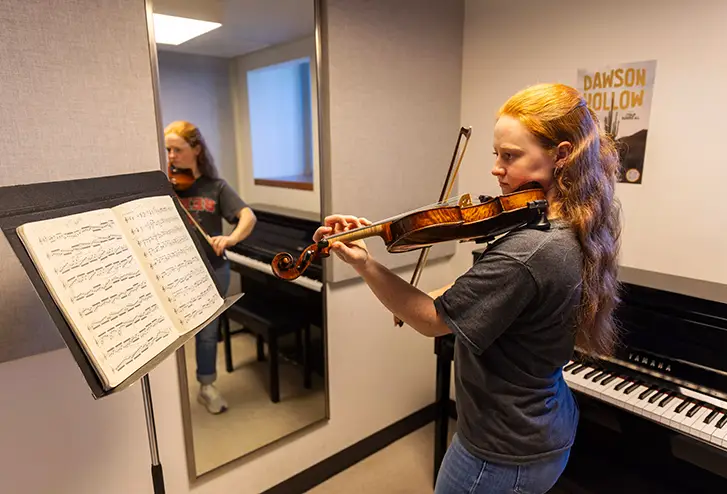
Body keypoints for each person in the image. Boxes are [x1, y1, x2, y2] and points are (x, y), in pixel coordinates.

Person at [313, 83, 622, 493]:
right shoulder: (575, 225)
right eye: (496, 154)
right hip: (546, 422)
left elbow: (429, 321)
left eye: (510, 156)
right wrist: (437, 294)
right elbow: (490, 290)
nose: (497, 168)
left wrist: (365, 263)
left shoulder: (530, 249)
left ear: (562, 155)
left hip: (499, 451)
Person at [164, 120, 257, 414]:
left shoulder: (215, 187)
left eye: (177, 150)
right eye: (167, 150)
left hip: (214, 269)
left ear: (196, 150)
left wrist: (229, 239)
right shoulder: (167, 187)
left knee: (207, 333)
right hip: (175, 272)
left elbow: (248, 217)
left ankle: (206, 385)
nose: (171, 157)